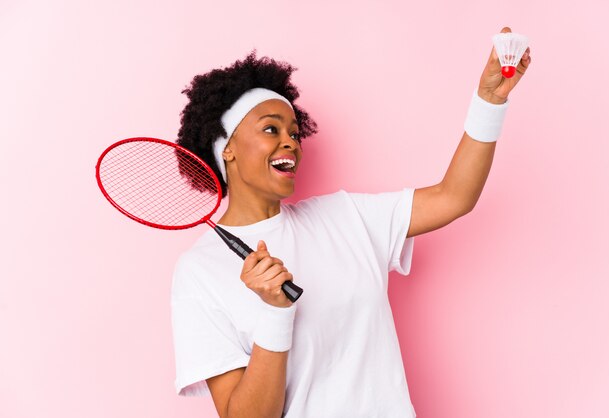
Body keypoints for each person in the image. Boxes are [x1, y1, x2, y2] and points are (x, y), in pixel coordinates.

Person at [171, 26, 531, 418]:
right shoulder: (199, 272)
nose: (291, 142)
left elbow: (454, 197)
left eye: (294, 132)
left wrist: (489, 101)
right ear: (228, 150)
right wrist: (275, 313)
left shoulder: (346, 218)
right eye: (271, 129)